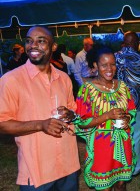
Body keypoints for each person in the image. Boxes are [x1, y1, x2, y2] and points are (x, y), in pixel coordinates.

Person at [0, 26, 80, 190]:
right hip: (37, 170)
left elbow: (74, 112)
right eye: (29, 41)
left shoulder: (64, 78)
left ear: (54, 47)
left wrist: (70, 114)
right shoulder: (11, 80)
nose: (33, 45)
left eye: (41, 41)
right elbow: (2, 123)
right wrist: (40, 125)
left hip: (68, 164)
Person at [73, 47, 136, 190]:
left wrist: (126, 119)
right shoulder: (87, 90)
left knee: (121, 183)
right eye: (104, 65)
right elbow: (81, 123)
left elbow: (131, 111)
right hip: (102, 146)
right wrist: (107, 116)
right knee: (104, 185)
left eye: (113, 64)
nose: (110, 68)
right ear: (95, 65)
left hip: (122, 141)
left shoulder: (123, 86)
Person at [115, 31, 140, 177]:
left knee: (120, 135)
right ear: (137, 43)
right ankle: (135, 168)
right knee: (136, 136)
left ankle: (120, 166)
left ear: (124, 42)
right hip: (137, 104)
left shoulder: (115, 56)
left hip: (119, 104)